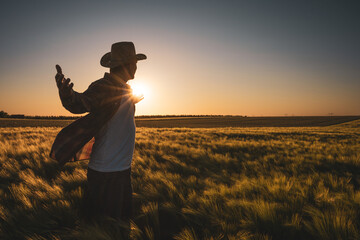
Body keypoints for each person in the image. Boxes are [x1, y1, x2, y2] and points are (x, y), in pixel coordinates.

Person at [50, 42, 147, 222]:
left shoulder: (125, 88)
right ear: (125, 65)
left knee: (120, 224)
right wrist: (67, 94)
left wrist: (131, 100)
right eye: (134, 62)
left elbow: (113, 107)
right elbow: (80, 102)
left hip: (122, 169)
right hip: (107, 172)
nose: (136, 67)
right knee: (104, 225)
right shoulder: (103, 86)